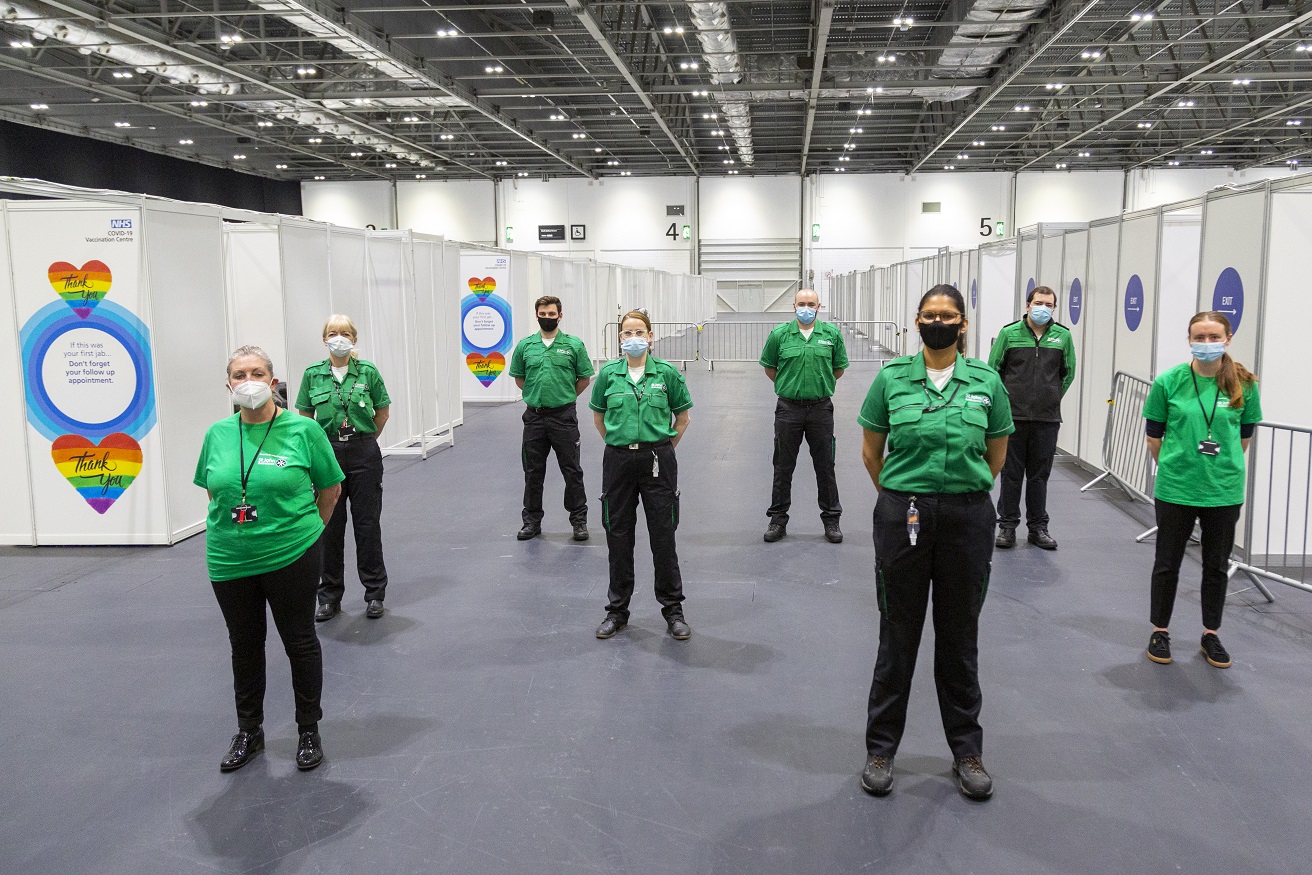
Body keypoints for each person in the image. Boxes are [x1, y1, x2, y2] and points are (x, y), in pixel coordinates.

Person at [856, 284, 1013, 801]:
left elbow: (995, 456)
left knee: (959, 638)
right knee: (896, 636)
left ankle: (967, 751)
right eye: (929, 314)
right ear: (917, 321)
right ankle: (881, 749)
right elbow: (872, 450)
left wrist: (956, 497)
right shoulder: (891, 379)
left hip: (967, 518)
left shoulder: (987, 382)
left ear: (963, 324)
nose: (938, 321)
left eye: (947, 315)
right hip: (903, 512)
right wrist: (903, 497)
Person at [195, 345, 343, 772]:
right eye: (239, 375)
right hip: (229, 558)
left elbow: (330, 490)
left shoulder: (303, 431)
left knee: (299, 641)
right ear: (228, 385)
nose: (248, 382)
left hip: (291, 553)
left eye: (257, 372)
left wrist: (308, 532)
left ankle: (308, 730)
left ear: (273, 380)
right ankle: (250, 731)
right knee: (244, 646)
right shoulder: (216, 435)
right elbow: (214, 491)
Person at [1143, 311, 1261, 669]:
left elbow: (1243, 439)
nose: (1206, 343)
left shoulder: (1244, 384)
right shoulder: (1169, 382)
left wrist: (1214, 468)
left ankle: (1211, 634)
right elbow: (1154, 437)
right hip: (1176, 488)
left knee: (1215, 565)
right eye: (1200, 337)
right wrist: (1180, 465)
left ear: (1227, 339)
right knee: (1167, 563)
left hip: (1222, 491)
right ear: (1189, 339)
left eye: (1214, 337)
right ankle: (1159, 630)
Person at [590, 310, 694, 640]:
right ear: (620, 339)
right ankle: (617, 610)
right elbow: (599, 419)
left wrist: (661, 447)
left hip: (658, 460)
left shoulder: (667, 374)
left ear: (650, 336)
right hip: (618, 461)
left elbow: (683, 419)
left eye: (639, 332)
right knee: (618, 535)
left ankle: (673, 610)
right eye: (626, 333)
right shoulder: (608, 375)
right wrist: (622, 445)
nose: (633, 338)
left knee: (663, 536)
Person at [296, 315, 392, 622]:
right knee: (329, 527)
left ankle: (374, 593)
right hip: (327, 454)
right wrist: (325, 450)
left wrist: (363, 440)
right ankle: (329, 596)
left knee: (367, 526)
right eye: (333, 333)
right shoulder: (312, 375)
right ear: (324, 339)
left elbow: (382, 411)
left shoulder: (367, 371)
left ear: (354, 339)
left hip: (364, 452)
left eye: (346, 333)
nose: (340, 338)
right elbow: (304, 417)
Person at [987, 284, 1076, 550]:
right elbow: (994, 371)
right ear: (1028, 305)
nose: (1043, 309)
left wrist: (1051, 397)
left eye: (1049, 305)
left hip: (1047, 418)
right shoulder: (1009, 333)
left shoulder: (1063, 337)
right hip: (1013, 417)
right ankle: (1007, 526)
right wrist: (1003, 405)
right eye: (1039, 303)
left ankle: (1038, 528)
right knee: (1011, 474)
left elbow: (1068, 373)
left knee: (1040, 476)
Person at [759, 287, 849, 543]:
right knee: (782, 466)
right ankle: (778, 520)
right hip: (788, 410)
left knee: (826, 467)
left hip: (821, 410)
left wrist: (818, 385)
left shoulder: (830, 335)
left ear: (819, 307)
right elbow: (770, 367)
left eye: (811, 303)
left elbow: (838, 369)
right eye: (801, 303)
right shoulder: (780, 335)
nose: (806, 308)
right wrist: (790, 386)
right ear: (794, 306)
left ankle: (832, 520)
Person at [508, 295, 595, 541]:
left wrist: (565, 397)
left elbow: (584, 378)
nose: (547, 318)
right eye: (543, 314)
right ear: (536, 315)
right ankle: (531, 522)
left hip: (563, 418)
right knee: (532, 472)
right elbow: (519, 378)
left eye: (551, 314)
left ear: (560, 315)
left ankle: (579, 521)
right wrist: (537, 396)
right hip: (534, 419)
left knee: (572, 470)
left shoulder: (573, 345)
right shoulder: (526, 346)